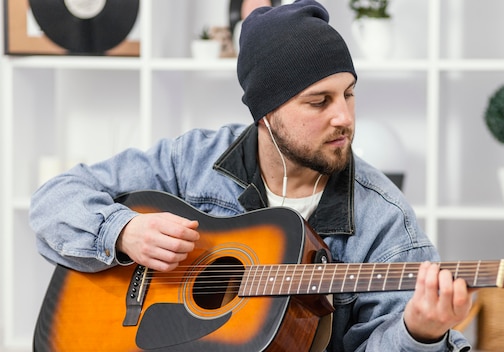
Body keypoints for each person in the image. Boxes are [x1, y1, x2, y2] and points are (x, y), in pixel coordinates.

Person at [29, 0, 472, 351]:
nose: (344, 117)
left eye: (349, 94)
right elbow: (54, 199)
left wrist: (420, 335)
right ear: (266, 112)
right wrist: (124, 231)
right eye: (319, 101)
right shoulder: (193, 159)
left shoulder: (386, 220)